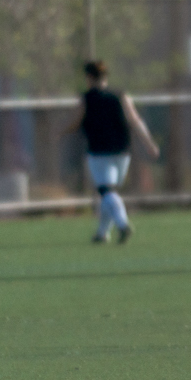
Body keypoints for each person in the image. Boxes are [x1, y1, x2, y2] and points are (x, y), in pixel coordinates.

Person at [72, 60, 160, 244]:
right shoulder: (121, 96)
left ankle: (123, 224)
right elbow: (135, 120)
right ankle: (102, 233)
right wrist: (149, 143)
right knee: (109, 192)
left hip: (98, 153)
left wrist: (60, 131)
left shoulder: (87, 98)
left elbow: (75, 121)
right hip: (122, 153)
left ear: (89, 77)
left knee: (106, 192)